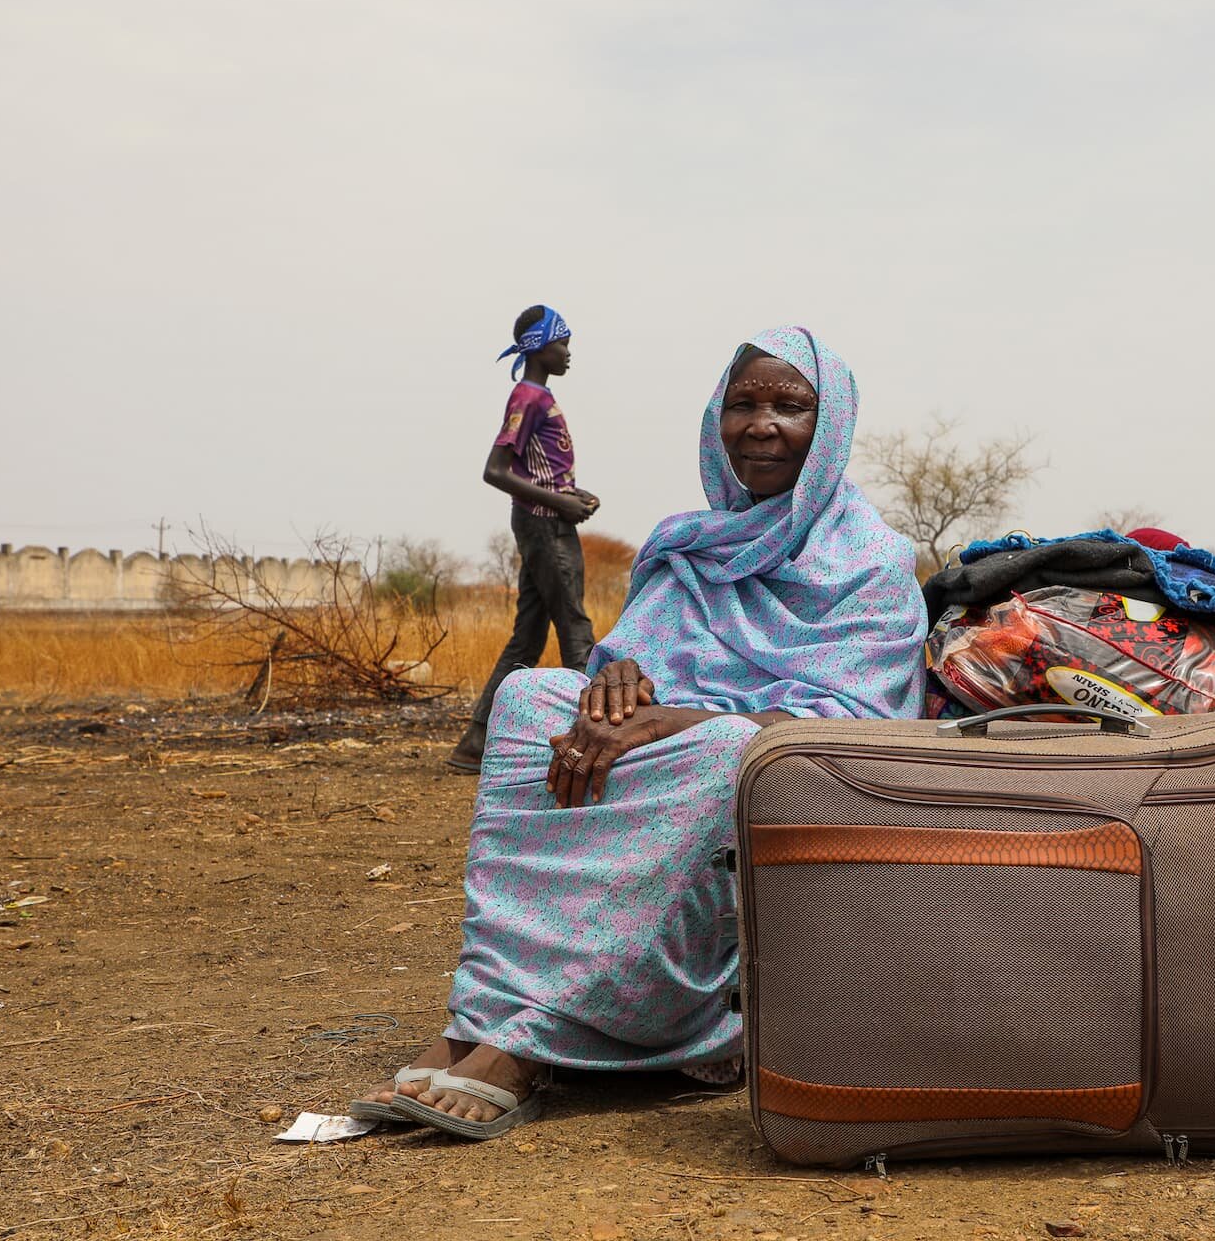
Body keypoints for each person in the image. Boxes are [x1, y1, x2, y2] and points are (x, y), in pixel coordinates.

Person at [358, 327, 927, 1137]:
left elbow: (857, 727)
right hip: (675, 746)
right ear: (714, 420)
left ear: (829, 426)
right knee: (528, 695)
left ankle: (521, 1045)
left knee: (735, 748)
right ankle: (476, 1014)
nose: (761, 423)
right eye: (743, 403)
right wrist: (622, 682)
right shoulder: (687, 544)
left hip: (776, 779)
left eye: (790, 406)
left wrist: (678, 718)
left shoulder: (871, 563)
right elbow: (639, 659)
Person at [447, 305, 602, 774]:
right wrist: (560, 506)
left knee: (527, 639)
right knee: (576, 632)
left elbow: (536, 470)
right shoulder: (528, 398)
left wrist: (572, 495)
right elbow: (495, 471)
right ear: (539, 348)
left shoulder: (536, 397)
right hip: (545, 527)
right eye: (562, 343)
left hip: (545, 520)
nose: (569, 353)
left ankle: (475, 744)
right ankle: (598, 742)